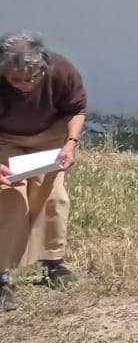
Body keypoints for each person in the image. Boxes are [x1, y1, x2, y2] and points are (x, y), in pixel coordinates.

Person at [0, 32, 87, 310]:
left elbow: (76, 109)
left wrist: (70, 145)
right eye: (14, 79)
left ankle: (53, 264)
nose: (24, 85)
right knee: (11, 197)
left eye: (31, 78)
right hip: (5, 138)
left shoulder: (61, 70)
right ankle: (2, 275)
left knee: (55, 198)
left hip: (49, 138)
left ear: (42, 64)